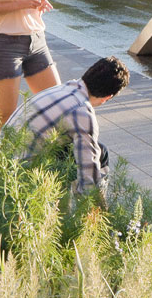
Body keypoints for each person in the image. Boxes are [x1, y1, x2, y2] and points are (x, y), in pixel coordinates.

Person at [8, 55, 129, 199]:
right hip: (23, 176)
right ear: (107, 97)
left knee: (85, 149)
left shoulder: (60, 90)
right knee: (100, 154)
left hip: (4, 161)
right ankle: (91, 216)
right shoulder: (82, 112)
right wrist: (95, 203)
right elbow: (88, 177)